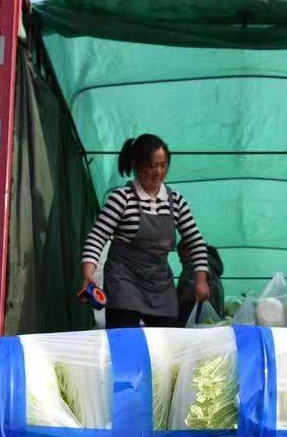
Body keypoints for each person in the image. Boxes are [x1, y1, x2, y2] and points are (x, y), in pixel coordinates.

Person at [80, 133, 211, 329]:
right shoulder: (121, 198)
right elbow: (97, 237)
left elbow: (196, 242)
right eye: (152, 166)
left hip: (160, 286)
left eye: (163, 165)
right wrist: (88, 275)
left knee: (167, 344)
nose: (158, 171)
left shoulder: (176, 201)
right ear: (137, 166)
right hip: (123, 282)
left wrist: (201, 279)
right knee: (125, 341)